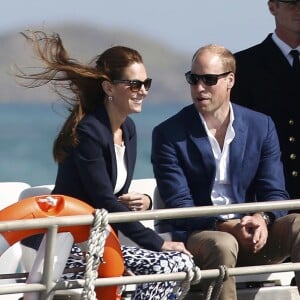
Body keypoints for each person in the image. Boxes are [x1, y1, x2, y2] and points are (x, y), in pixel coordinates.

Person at [17, 30, 198, 300]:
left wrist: (145, 202)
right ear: (109, 87)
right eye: (134, 85)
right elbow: (104, 200)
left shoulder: (129, 130)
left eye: (146, 83)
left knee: (180, 263)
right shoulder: (89, 132)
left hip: (100, 241)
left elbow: (114, 196)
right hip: (64, 245)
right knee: (167, 261)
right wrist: (159, 243)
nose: (143, 91)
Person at [151, 44, 300, 300]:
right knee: (223, 243)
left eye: (209, 80)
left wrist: (262, 218)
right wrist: (228, 226)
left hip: (254, 235)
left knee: (298, 223)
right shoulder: (168, 134)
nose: (199, 88)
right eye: (193, 79)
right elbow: (180, 206)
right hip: (200, 237)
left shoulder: (261, 126)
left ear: (230, 80)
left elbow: (275, 192)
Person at [231, 0, 300, 201]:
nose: (298, 9)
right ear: (272, 7)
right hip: (270, 194)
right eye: (291, 3)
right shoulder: (243, 66)